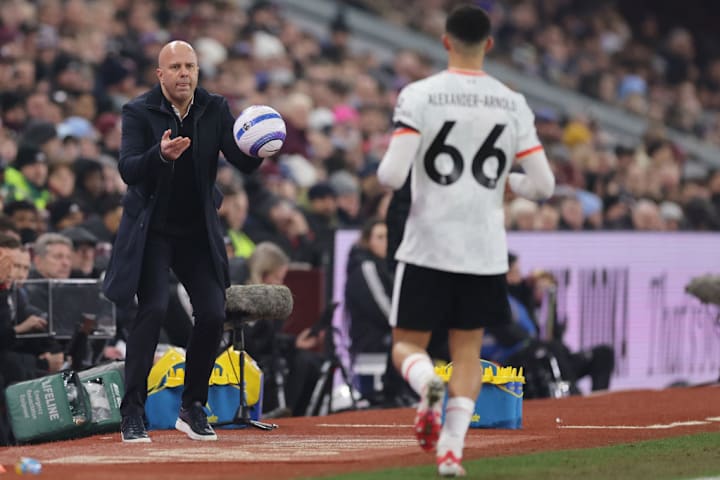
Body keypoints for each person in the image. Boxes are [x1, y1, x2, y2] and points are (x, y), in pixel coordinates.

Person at [376, 5, 555, 477]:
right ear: (489, 45)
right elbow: (545, 186)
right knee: (468, 352)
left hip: (429, 242)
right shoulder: (511, 101)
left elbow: (391, 174)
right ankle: (451, 451)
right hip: (484, 249)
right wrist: (506, 184)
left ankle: (428, 384)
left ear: (445, 41)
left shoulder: (420, 94)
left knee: (406, 347)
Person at [101, 40, 263, 443]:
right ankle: (132, 412)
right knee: (152, 309)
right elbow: (127, 170)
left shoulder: (215, 107)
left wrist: (261, 144)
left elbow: (240, 159)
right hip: (152, 230)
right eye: (174, 67)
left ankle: (192, 407)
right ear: (160, 75)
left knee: (212, 312)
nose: (184, 73)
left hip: (196, 231)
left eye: (190, 66)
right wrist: (160, 155)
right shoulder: (138, 111)